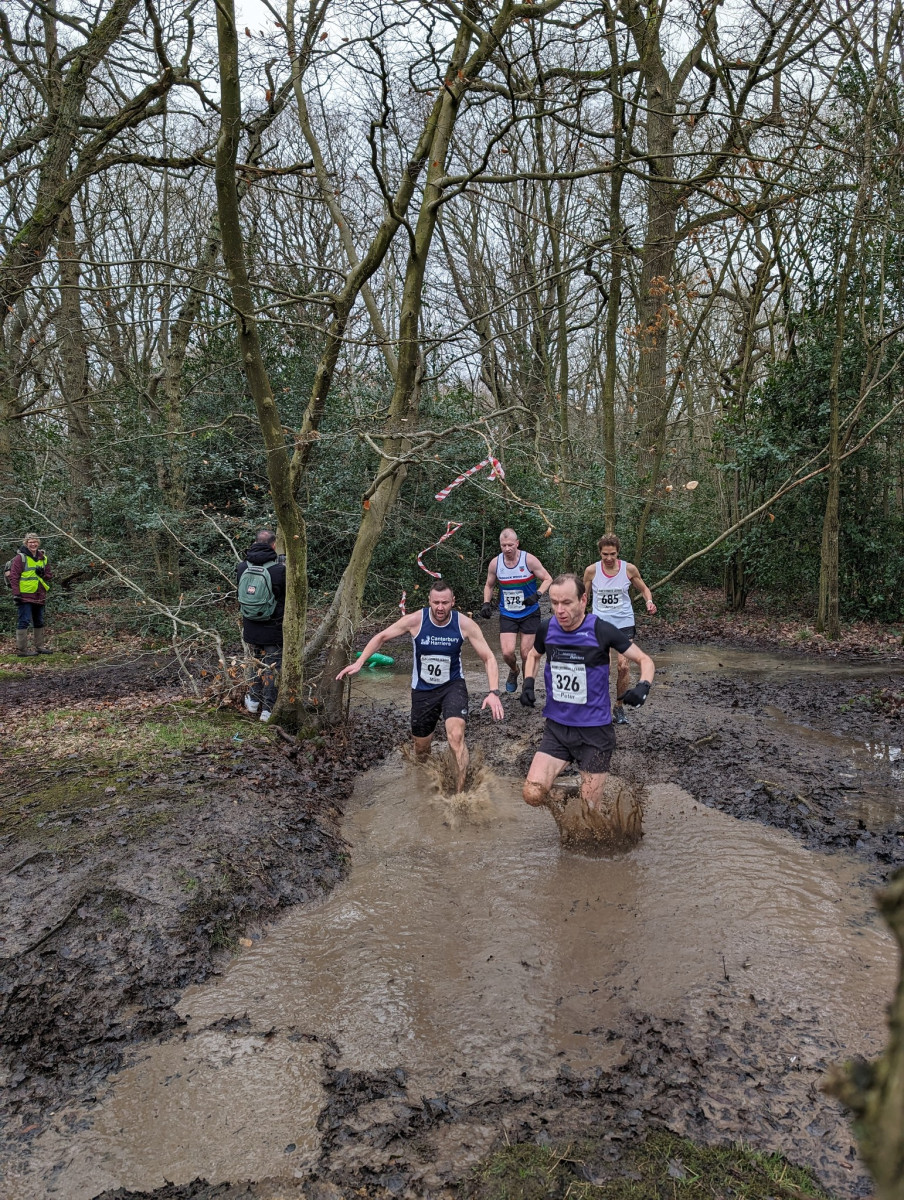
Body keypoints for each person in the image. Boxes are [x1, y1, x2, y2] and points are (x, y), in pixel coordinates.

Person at [337, 578, 505, 791]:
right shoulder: (415, 620)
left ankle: (460, 794)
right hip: (423, 690)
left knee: (455, 736)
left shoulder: (464, 624)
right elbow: (382, 637)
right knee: (421, 749)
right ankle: (424, 785)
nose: (440, 607)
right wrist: (360, 662)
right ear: (429, 601)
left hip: (452, 686)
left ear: (453, 601)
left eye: (445, 603)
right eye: (436, 602)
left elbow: (489, 657)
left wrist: (493, 692)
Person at [519, 573, 654, 812]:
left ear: (583, 600)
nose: (560, 610)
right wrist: (528, 682)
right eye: (554, 603)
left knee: (589, 812)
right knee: (532, 793)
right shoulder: (546, 628)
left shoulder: (601, 630)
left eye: (566, 603)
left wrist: (643, 686)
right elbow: (533, 655)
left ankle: (585, 797)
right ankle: (569, 793)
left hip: (595, 733)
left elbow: (645, 660)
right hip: (557, 729)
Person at [582, 534, 656, 726]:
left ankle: (619, 706)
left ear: (618, 553)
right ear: (600, 553)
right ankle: (600, 706)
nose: (608, 558)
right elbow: (583, 597)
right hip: (601, 624)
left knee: (623, 666)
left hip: (624, 622)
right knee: (603, 668)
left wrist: (649, 601)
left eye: (612, 554)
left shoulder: (628, 569)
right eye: (605, 554)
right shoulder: (591, 571)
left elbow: (644, 589)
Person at [480, 527, 552, 694]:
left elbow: (548, 578)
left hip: (529, 612)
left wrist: (537, 594)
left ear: (517, 543)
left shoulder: (529, 560)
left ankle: (527, 687)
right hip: (508, 614)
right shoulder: (496, 563)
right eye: (503, 545)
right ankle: (514, 670)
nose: (507, 549)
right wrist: (486, 603)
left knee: (526, 653)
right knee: (507, 653)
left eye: (510, 545)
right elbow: (489, 585)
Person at [236, 529, 286, 723]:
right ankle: (268, 709)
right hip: (273, 628)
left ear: (255, 542)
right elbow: (284, 597)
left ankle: (253, 702)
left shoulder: (242, 567)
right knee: (272, 667)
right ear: (274, 545)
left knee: (255, 662)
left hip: (251, 627)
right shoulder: (279, 570)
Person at [10, 533, 53, 656]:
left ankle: (39, 647)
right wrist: (16, 594)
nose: (33, 544)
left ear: (38, 543)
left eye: (35, 542)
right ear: (26, 543)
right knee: (24, 621)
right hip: (24, 595)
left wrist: (43, 574)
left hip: (39, 594)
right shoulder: (20, 558)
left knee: (39, 620)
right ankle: (22, 650)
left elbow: (49, 575)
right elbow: (14, 577)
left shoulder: (43, 558)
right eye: (30, 542)